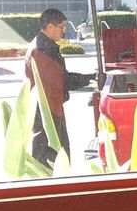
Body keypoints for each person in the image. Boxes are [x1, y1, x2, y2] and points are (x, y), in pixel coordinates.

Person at [25, 9, 95, 166]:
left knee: (48, 155)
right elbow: (62, 81)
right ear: (50, 26)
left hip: (45, 109)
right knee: (55, 158)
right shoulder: (43, 49)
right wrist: (89, 78)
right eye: (62, 27)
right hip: (49, 112)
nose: (63, 31)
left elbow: (60, 78)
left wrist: (88, 78)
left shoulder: (39, 45)